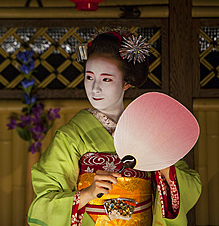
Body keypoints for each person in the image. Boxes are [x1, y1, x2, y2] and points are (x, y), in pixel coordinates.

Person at [27, 29, 201, 226]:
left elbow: (191, 185)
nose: (95, 88)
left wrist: (166, 171)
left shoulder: (149, 129)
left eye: (106, 79)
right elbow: (45, 202)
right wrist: (87, 193)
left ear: (126, 82)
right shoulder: (71, 136)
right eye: (89, 77)